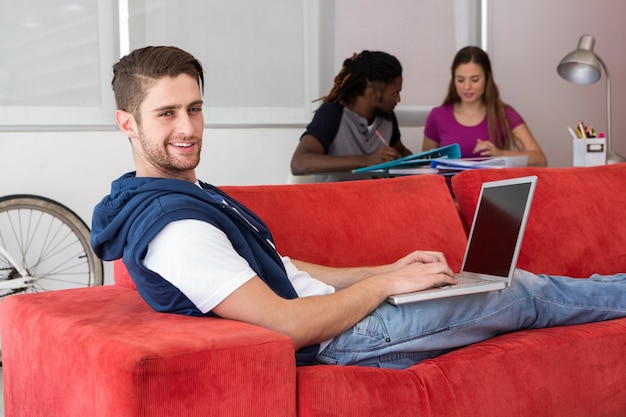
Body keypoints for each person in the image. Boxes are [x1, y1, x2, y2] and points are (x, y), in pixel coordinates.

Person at [92, 46, 626, 369]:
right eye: (166, 113)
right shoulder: (175, 229)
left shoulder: (186, 196)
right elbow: (286, 324)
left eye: (194, 108)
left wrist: (388, 269)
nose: (186, 127)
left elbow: (285, 271)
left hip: (346, 315)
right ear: (127, 123)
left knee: (492, 283)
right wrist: (386, 286)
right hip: (346, 337)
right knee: (521, 292)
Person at [290, 50, 412, 182]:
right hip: (336, 199)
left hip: (375, 198)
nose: (398, 99)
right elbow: (299, 163)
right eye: (395, 93)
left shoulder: (387, 116)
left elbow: (400, 149)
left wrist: (410, 161)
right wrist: (365, 160)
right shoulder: (332, 114)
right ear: (373, 93)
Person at [423, 46, 548, 167]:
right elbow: (424, 166)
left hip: (489, 187)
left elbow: (540, 160)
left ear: (487, 78)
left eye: (475, 79)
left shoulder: (503, 114)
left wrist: (500, 154)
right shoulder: (437, 116)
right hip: (447, 188)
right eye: (460, 80)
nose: (467, 87)